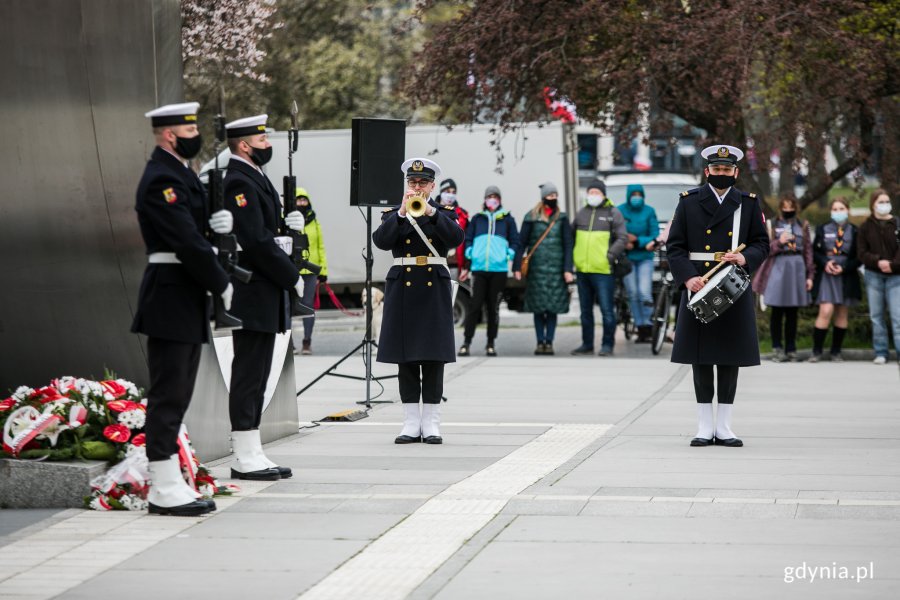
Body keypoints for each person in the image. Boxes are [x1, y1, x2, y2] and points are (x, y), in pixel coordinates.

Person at [132, 102, 232, 516]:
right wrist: (221, 280)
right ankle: (163, 485)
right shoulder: (162, 179)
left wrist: (217, 223)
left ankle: (172, 481)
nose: (196, 136)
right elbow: (185, 241)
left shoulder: (180, 174)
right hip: (171, 294)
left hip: (184, 294)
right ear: (171, 134)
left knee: (179, 392)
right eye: (189, 130)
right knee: (168, 394)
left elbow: (196, 230)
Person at [666, 145, 769, 448]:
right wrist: (688, 277)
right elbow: (675, 247)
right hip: (699, 284)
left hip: (731, 285)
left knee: (729, 357)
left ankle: (724, 426)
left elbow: (762, 243)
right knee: (700, 358)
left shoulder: (748, 204)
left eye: (728, 170)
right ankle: (703, 425)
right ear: (707, 171)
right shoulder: (688, 202)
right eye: (717, 169)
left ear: (736, 172)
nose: (722, 174)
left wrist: (745, 257)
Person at [224, 114, 306, 480]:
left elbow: (269, 233)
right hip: (254, 288)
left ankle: (253, 447)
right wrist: (291, 276)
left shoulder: (256, 177)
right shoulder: (237, 181)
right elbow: (256, 240)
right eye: (262, 139)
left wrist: (291, 228)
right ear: (244, 144)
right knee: (248, 372)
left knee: (258, 373)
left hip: (265, 289)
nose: (267, 144)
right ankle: (243, 452)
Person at [373, 158, 464, 444]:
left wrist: (431, 213)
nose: (417, 187)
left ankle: (432, 422)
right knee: (406, 357)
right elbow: (382, 242)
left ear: (432, 185)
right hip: (403, 286)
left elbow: (456, 238)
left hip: (433, 285)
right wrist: (401, 212)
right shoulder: (393, 213)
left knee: (434, 357)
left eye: (422, 183)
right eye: (412, 183)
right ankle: (411, 422)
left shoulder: (444, 212)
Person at [513, 182, 575, 355]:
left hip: (556, 270)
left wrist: (568, 269)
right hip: (537, 270)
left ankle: (550, 342)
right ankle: (540, 341)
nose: (553, 199)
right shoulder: (531, 217)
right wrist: (517, 266)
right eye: (550, 196)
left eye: (555, 196)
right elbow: (521, 243)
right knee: (539, 308)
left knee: (553, 308)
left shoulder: (562, 218)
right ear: (543, 198)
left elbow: (568, 244)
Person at [458, 186, 520, 357]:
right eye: (489, 197)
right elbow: (468, 239)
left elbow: (515, 240)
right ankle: (466, 343)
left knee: (493, 308)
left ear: (499, 199)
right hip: (479, 270)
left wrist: (509, 254)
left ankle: (490, 344)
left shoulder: (507, 219)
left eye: (495, 197)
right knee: (474, 306)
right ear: (484, 199)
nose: (492, 199)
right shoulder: (477, 219)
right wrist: (470, 254)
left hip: (498, 270)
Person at [751, 196, 813, 362]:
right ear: (780, 208)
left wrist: (810, 276)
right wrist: (779, 241)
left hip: (797, 269)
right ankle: (777, 347)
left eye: (790, 206)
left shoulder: (803, 225)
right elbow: (764, 248)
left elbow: (808, 252)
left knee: (793, 312)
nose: (788, 210)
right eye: (784, 207)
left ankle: (791, 348)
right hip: (778, 268)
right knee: (777, 312)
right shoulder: (772, 225)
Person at [569, 179, 627, 356]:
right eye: (591, 192)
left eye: (597, 192)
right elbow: (571, 237)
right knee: (585, 311)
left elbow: (622, 238)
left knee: (606, 310)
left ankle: (607, 344)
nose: (593, 195)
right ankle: (587, 344)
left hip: (603, 271)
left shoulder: (613, 213)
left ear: (603, 194)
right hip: (583, 270)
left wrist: (609, 256)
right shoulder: (581, 213)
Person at [809, 197, 862, 362]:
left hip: (846, 274)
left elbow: (860, 256)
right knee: (825, 311)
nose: (838, 212)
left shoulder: (855, 230)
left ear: (847, 210)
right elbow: (814, 252)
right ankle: (816, 351)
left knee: (841, 312)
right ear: (831, 211)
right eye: (835, 209)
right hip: (827, 273)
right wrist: (825, 262)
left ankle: (836, 351)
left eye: (841, 209)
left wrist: (845, 267)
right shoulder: (823, 228)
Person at [857, 189, 900, 365]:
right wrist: (878, 261)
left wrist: (892, 264)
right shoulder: (866, 226)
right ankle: (881, 351)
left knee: (897, 317)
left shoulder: (897, 223)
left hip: (896, 276)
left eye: (886, 201)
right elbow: (861, 252)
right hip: (873, 275)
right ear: (873, 204)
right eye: (880, 202)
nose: (884, 205)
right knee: (876, 316)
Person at [617, 183, 661, 343]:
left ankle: (648, 324)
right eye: (633, 195)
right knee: (633, 293)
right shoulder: (620, 210)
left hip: (644, 257)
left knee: (644, 291)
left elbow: (655, 234)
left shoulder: (649, 211)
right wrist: (624, 242)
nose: (636, 197)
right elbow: (615, 231)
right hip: (626, 258)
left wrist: (637, 241)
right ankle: (639, 325)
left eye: (639, 194)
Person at [292, 186, 328, 355]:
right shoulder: (288, 220)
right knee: (287, 306)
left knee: (308, 306)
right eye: (298, 199)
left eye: (304, 199)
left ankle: (307, 342)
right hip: (292, 270)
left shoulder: (315, 221)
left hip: (310, 272)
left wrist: (323, 271)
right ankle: (288, 342)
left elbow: (320, 247)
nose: (301, 202)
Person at [439, 178, 470, 278]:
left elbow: (467, 240)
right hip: (434, 262)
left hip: (453, 264)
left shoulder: (462, 214)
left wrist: (467, 265)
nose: (450, 195)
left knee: (451, 293)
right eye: (447, 191)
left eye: (453, 192)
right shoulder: (430, 210)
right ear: (441, 192)